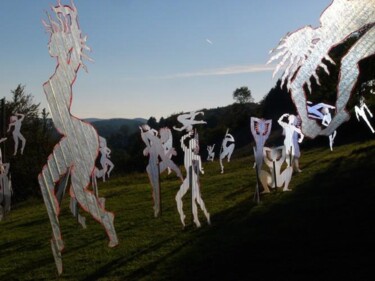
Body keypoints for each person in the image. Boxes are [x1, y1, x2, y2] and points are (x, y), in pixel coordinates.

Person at [39, 2, 117, 274]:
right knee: (75, 192)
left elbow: (77, 48)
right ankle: (100, 223)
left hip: (79, 135)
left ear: (60, 47)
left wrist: (72, 20)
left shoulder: (65, 70)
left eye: (52, 40)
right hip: (73, 136)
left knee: (56, 185)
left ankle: (62, 237)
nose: (49, 42)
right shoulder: (57, 72)